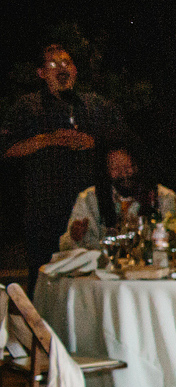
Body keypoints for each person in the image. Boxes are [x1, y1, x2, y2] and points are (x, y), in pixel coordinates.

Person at [5, 44, 139, 276]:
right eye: (54, 64)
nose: (62, 68)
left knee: (98, 275)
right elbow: (7, 149)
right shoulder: (27, 107)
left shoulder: (97, 105)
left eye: (66, 62)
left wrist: (93, 141)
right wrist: (49, 139)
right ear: (41, 73)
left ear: (75, 70)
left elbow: (127, 141)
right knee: (45, 277)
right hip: (45, 210)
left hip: (92, 210)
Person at [60, 145, 176, 250]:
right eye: (115, 169)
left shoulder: (164, 197)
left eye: (128, 166)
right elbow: (65, 246)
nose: (123, 173)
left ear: (138, 165)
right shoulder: (89, 199)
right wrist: (75, 236)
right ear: (105, 171)